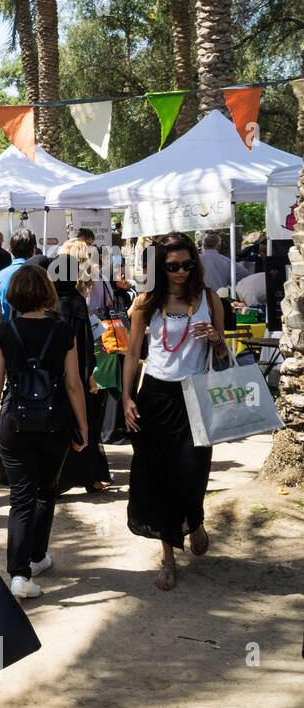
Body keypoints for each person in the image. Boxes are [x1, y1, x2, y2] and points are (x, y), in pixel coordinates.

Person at [122, 233, 224, 591]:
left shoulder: (209, 299)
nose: (181, 271)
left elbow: (223, 356)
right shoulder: (147, 303)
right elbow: (133, 354)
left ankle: (194, 520)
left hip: (196, 395)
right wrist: (126, 398)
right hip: (155, 397)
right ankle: (168, 557)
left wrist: (215, 337)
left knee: (193, 472)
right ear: (160, 269)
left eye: (186, 264)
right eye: (172, 266)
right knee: (159, 478)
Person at [0, 264, 89, 599]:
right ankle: (36, 556)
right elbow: (73, 385)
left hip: (15, 421)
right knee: (47, 491)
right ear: (47, 292)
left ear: (14, 294)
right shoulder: (63, 331)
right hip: (54, 422)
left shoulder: (4, 332)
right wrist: (83, 427)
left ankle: (20, 573)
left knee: (21, 499)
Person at [51, 252, 112, 494]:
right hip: (76, 374)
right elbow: (85, 342)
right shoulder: (75, 302)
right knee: (85, 425)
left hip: (54, 376)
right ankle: (92, 478)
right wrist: (89, 374)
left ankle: (57, 480)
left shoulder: (49, 301)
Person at [0, 229, 35, 323]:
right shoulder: (39, 274)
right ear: (34, 248)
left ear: (10, 249)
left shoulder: (0, 275)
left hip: (8, 330)